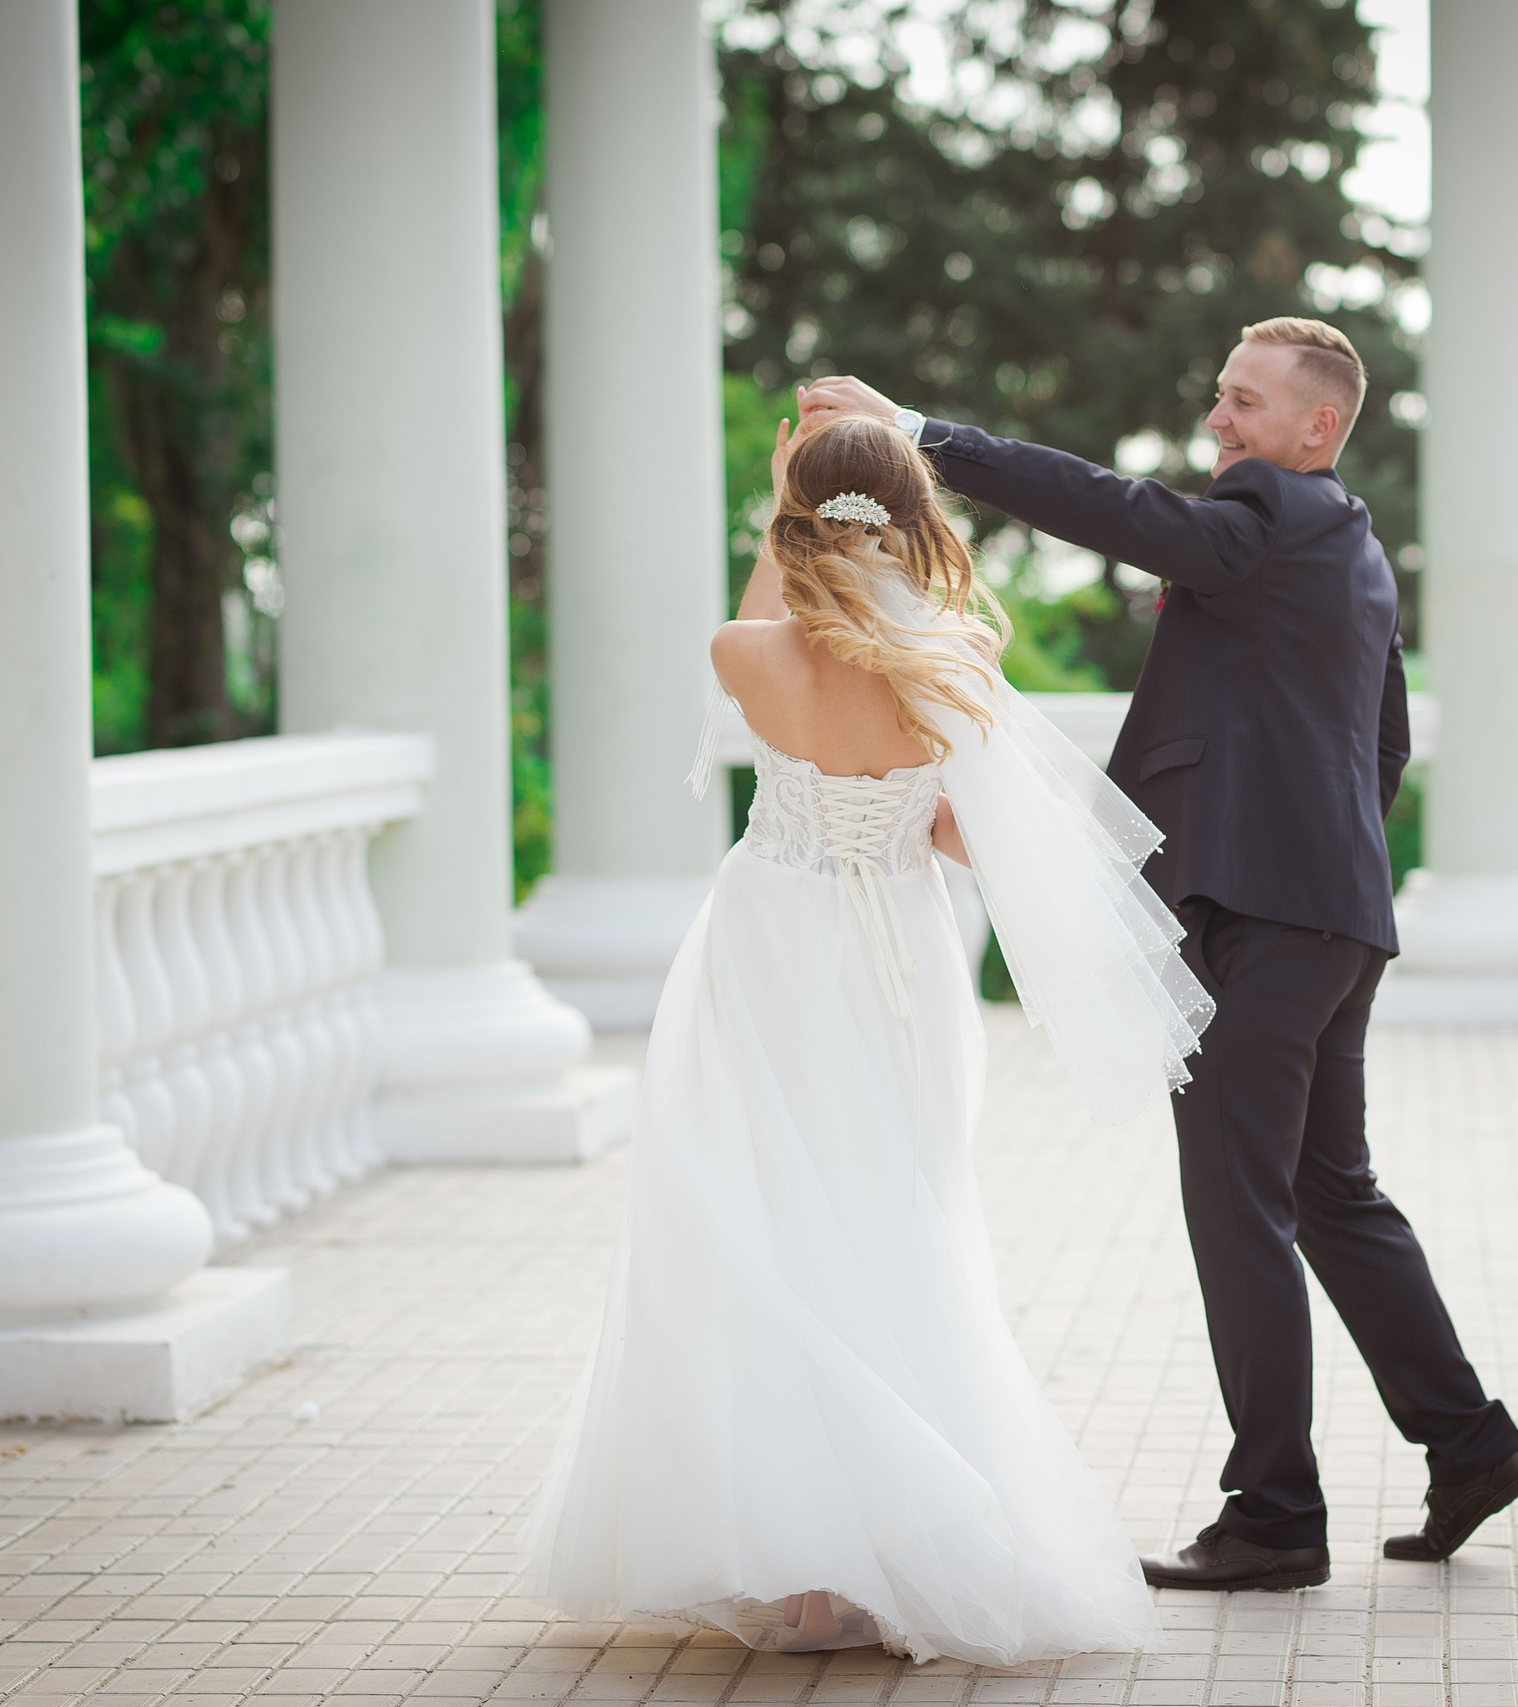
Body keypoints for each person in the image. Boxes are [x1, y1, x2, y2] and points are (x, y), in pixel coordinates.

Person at [799, 318, 1518, 1591]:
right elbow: (1381, 746)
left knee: (1239, 1204)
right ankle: (1469, 1444)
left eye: (1245, 405)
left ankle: (1273, 1518)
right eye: (1219, 399)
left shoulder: (1263, 514)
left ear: (1317, 428)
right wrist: (1319, 866)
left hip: (1270, 918)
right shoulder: (1354, 551)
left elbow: (1112, 507)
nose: (1219, 424)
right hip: (1331, 914)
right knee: (1329, 1195)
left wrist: (923, 436)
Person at [520, 414, 1213, 1664]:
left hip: (768, 947)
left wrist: (788, 494)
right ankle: (887, 1553)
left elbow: (772, 615)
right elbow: (965, 841)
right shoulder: (950, 665)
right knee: (899, 1218)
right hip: (901, 962)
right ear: (914, 522)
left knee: (753, 1221)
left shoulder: (743, 650)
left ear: (793, 524)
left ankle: (800, 1566)